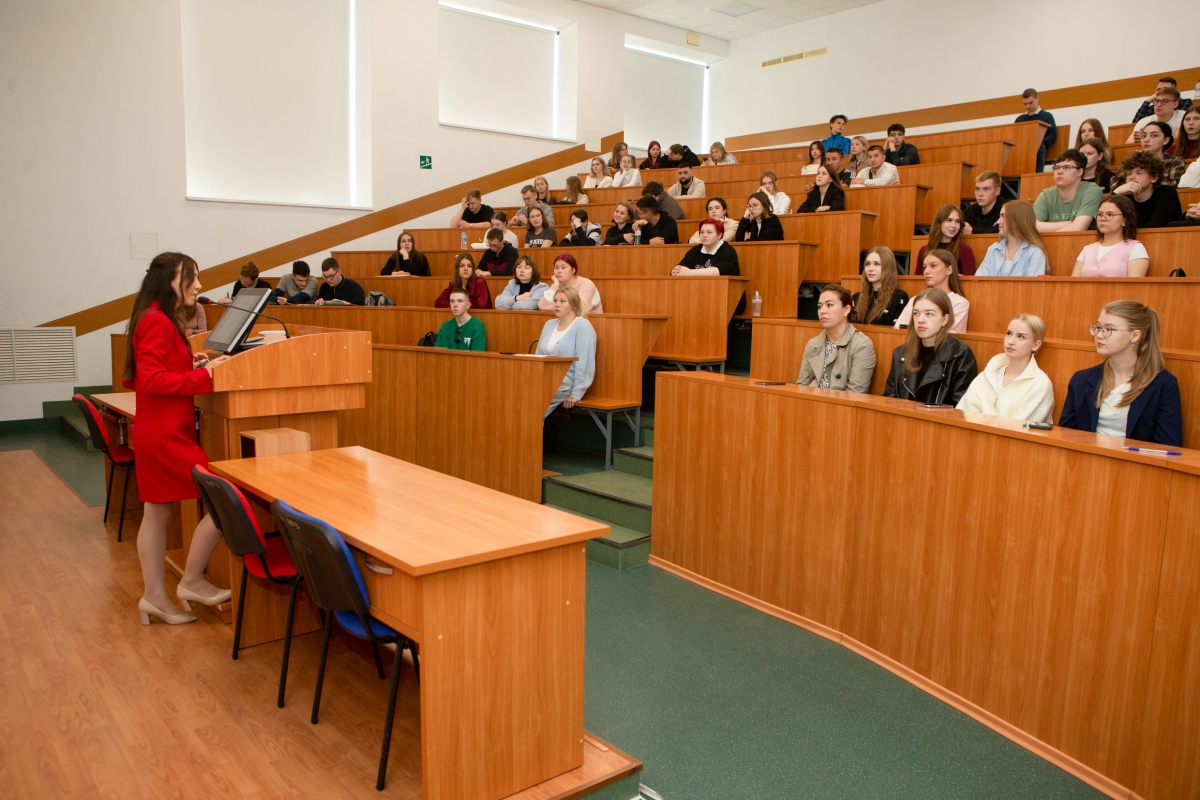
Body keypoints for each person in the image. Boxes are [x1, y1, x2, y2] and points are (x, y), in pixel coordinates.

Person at [122, 252, 232, 625]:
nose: (199, 286)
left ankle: (154, 597)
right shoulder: (156, 320)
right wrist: (206, 376)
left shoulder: (152, 315)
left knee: (156, 513)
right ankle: (192, 580)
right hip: (165, 433)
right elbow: (151, 379)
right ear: (171, 280)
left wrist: (191, 363)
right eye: (192, 277)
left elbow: (151, 371)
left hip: (155, 429)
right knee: (224, 497)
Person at [1059, 301, 1182, 446]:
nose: (1099, 335)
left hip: (1135, 460)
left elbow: (1168, 447)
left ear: (1135, 336)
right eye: (1098, 327)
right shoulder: (1081, 379)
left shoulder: (1164, 384)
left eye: (1109, 329)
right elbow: (1065, 436)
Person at [883, 287, 977, 406]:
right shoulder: (901, 353)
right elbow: (889, 401)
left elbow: (961, 406)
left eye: (929, 314)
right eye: (916, 313)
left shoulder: (960, 354)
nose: (920, 320)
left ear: (945, 319)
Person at [956, 314, 1054, 424]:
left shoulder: (1040, 384)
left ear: (1035, 345)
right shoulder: (989, 373)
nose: (1010, 341)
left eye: (1021, 336)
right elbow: (963, 412)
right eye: (1009, 333)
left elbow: (1020, 426)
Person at [796, 284, 876, 393]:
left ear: (846, 310)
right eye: (819, 306)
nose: (822, 311)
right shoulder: (813, 344)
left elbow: (855, 394)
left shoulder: (862, 345)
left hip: (840, 403)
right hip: (810, 401)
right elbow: (801, 386)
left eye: (829, 305)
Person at [537, 286, 597, 418]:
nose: (557, 304)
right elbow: (538, 357)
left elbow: (585, 363)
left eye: (562, 301)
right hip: (542, 380)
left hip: (563, 384)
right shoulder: (549, 324)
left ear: (574, 305)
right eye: (555, 301)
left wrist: (576, 394)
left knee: (531, 405)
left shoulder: (582, 326)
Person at [894, 249, 969, 332]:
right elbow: (898, 330)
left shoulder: (959, 303)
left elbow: (947, 333)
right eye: (924, 267)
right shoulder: (914, 300)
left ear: (949, 270)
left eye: (933, 266)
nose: (926, 271)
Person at [1075, 196, 1149, 278]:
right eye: (1100, 214)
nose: (1103, 219)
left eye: (1110, 214)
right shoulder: (1087, 249)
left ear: (1125, 219)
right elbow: (1074, 283)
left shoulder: (1135, 248)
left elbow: (1134, 284)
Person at [1034, 150, 1103, 232]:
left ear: (1079, 172)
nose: (1059, 171)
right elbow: (1033, 226)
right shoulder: (1046, 194)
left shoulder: (1092, 191)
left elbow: (1078, 228)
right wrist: (1068, 223)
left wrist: (1050, 234)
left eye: (1066, 167)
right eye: (1057, 168)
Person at [1110, 151, 1182, 228]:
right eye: (1129, 174)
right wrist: (1116, 192)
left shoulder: (1167, 194)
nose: (1131, 177)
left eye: (1139, 173)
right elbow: (1107, 224)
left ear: (1154, 178)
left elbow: (1155, 227)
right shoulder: (1126, 199)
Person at [976, 200, 1048, 276]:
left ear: (1018, 219)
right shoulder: (993, 250)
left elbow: (1033, 283)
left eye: (1003, 216)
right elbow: (980, 280)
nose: (998, 221)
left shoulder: (1035, 253)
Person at [852, 247, 909, 327]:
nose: (870, 269)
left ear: (888, 268)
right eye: (867, 264)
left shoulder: (899, 297)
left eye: (877, 264)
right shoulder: (856, 298)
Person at [1120, 120, 1187, 187]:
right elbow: (1116, 185)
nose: (1146, 140)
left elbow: (1171, 186)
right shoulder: (1132, 161)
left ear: (1166, 140)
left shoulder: (1175, 162)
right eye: (1143, 136)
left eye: (1154, 135)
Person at [915, 204, 976, 275]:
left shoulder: (964, 249)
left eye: (957, 221)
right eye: (949, 220)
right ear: (939, 222)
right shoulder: (924, 250)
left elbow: (969, 279)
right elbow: (917, 279)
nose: (954, 225)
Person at [672, 219, 740, 276]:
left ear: (719, 235)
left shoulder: (728, 251)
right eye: (702, 232)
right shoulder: (696, 250)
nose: (704, 235)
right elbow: (682, 266)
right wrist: (675, 271)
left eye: (709, 232)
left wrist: (690, 273)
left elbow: (720, 271)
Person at [1015, 89, 1057, 172]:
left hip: (1039, 149)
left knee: (1038, 147)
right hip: (1023, 150)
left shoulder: (1047, 116)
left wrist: (1038, 142)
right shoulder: (1019, 119)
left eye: (1031, 103)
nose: (1028, 106)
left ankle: (1036, 175)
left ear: (1037, 99)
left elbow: (1052, 135)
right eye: (1025, 104)